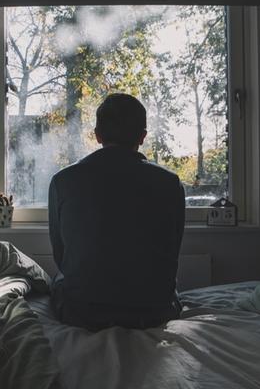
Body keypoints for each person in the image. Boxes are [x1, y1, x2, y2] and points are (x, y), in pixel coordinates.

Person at [48, 93, 185, 331]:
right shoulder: (170, 183)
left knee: (60, 282)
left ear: (97, 134)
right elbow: (171, 253)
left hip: (82, 312)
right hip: (153, 311)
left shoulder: (63, 181)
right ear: (142, 137)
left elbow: (62, 257)